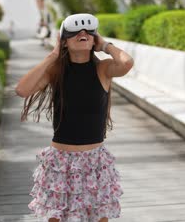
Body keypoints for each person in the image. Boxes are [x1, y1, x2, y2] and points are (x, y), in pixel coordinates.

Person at [15, 13, 134, 222]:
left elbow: (126, 63)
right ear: (64, 41)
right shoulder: (56, 71)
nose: (83, 34)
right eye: (76, 32)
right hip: (60, 163)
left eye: (89, 32)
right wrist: (52, 55)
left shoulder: (102, 69)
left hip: (95, 164)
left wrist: (106, 46)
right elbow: (22, 90)